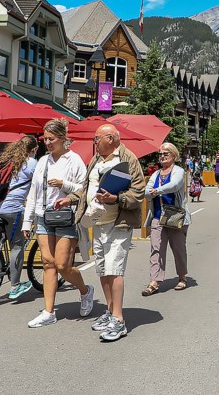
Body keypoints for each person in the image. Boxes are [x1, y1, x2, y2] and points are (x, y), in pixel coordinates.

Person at [60, 123, 145, 341]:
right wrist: (71, 198)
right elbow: (86, 187)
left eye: (97, 139)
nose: (95, 143)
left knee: (115, 270)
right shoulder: (97, 160)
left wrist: (116, 198)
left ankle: (119, 320)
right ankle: (110, 311)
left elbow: (138, 191)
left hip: (118, 223)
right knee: (103, 270)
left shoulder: (128, 159)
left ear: (112, 138)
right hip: (97, 223)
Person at [21, 119, 93, 328]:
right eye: (45, 139)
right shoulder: (43, 161)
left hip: (66, 216)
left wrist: (64, 184)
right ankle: (49, 311)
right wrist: (28, 222)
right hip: (44, 217)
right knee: (47, 263)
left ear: (62, 139)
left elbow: (83, 189)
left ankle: (85, 291)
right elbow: (33, 192)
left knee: (63, 265)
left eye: (51, 139)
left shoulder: (74, 160)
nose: (48, 143)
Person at [0, 135, 38, 299]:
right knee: (17, 245)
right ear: (34, 149)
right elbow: (42, 183)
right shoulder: (31, 163)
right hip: (11, 209)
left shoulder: (4, 161)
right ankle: (15, 286)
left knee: (8, 225)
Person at [141, 142, 191, 296]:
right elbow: (147, 192)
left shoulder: (178, 171)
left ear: (174, 156)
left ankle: (182, 277)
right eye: (160, 154)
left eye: (165, 154)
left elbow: (175, 185)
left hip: (175, 215)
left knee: (178, 249)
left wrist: (157, 191)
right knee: (156, 249)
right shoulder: (156, 174)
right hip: (157, 216)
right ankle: (154, 282)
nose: (162, 157)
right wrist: (152, 192)